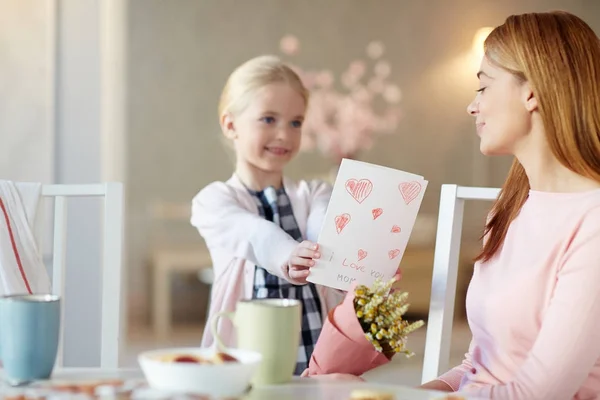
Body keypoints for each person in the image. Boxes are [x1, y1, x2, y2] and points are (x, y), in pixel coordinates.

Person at [315, 11, 600, 400]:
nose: (472, 106)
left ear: (531, 92)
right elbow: (476, 366)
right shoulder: (510, 207)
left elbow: (537, 393)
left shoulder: (592, 222)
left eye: (484, 87)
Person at [190, 55, 344, 375]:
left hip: (317, 353)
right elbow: (251, 232)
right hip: (247, 363)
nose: (284, 136)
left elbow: (325, 225)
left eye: (295, 122)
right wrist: (289, 253)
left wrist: (336, 251)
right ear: (230, 124)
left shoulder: (314, 192)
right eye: (268, 119)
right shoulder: (214, 201)